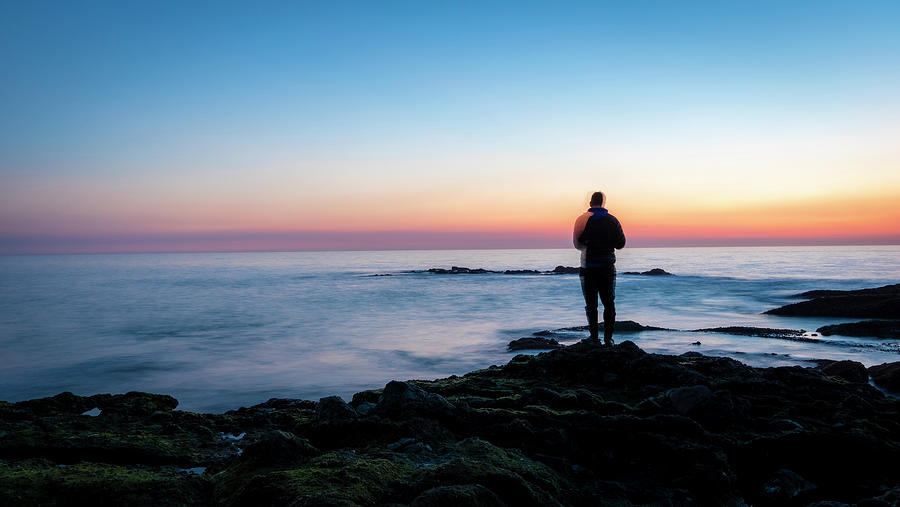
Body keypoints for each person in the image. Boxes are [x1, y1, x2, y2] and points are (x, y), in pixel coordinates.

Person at [573, 191, 626, 345]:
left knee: (591, 305)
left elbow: (577, 244)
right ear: (603, 203)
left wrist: (590, 244)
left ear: (590, 203)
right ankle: (608, 339)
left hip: (588, 267)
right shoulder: (612, 220)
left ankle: (594, 338)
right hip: (607, 267)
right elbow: (621, 243)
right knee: (609, 303)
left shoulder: (581, 220)